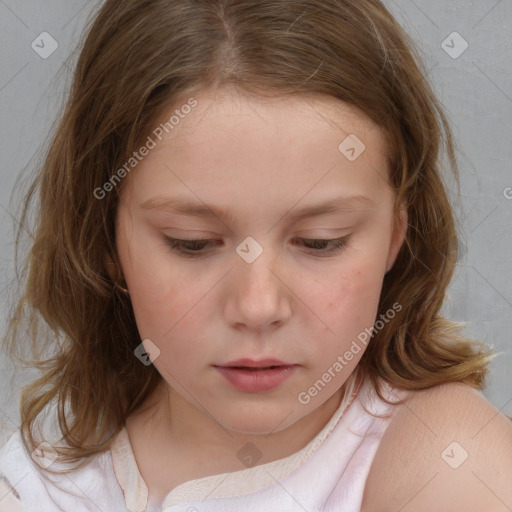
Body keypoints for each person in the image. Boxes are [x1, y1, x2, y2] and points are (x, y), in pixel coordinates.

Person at [1, 0, 511, 511]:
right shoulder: (41, 467)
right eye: (192, 242)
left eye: (321, 241)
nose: (257, 306)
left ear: (397, 235)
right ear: (104, 239)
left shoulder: (448, 458)